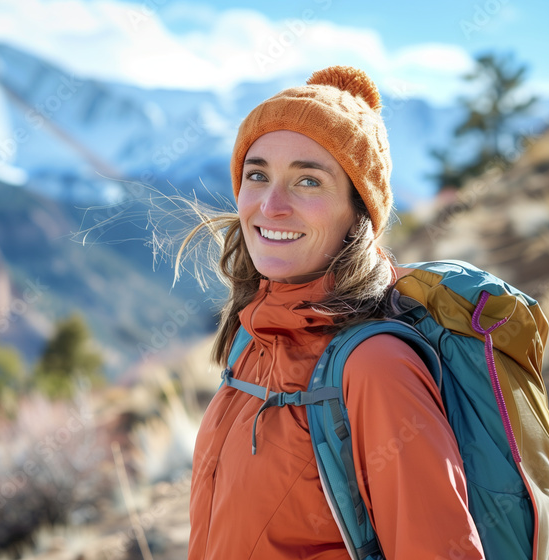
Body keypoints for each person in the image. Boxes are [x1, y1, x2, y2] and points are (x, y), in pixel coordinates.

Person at [183, 66, 486, 559]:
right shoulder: (253, 340)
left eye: (308, 181)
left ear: (358, 213)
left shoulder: (376, 368)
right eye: (257, 175)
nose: (271, 205)